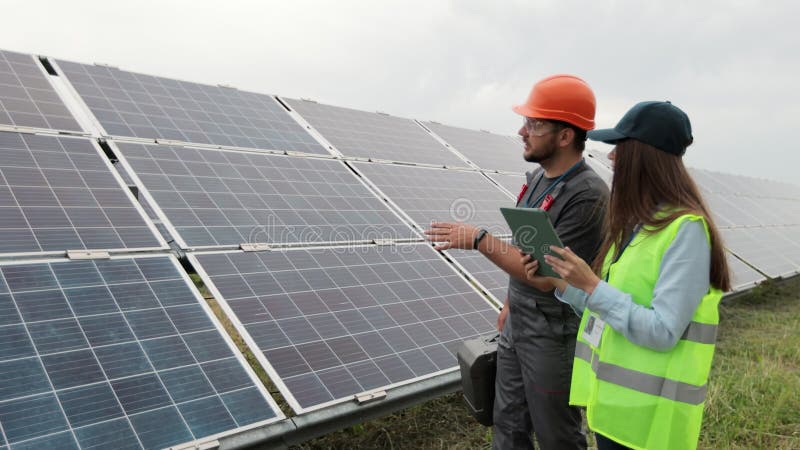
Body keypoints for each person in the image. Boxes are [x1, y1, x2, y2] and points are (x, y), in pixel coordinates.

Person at [523, 101, 731, 450]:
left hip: (650, 421)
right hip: (614, 412)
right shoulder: (639, 227)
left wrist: (591, 283)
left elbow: (664, 331)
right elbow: (608, 309)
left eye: (620, 149)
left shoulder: (686, 231)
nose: (612, 159)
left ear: (643, 156)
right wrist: (560, 280)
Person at [425, 74, 609, 450]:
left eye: (535, 123)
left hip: (553, 334)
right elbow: (526, 254)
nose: (522, 131)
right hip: (519, 324)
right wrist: (510, 303)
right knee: (507, 423)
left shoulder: (587, 196)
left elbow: (547, 277)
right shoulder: (539, 177)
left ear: (565, 136)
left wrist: (478, 240)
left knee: (556, 433)